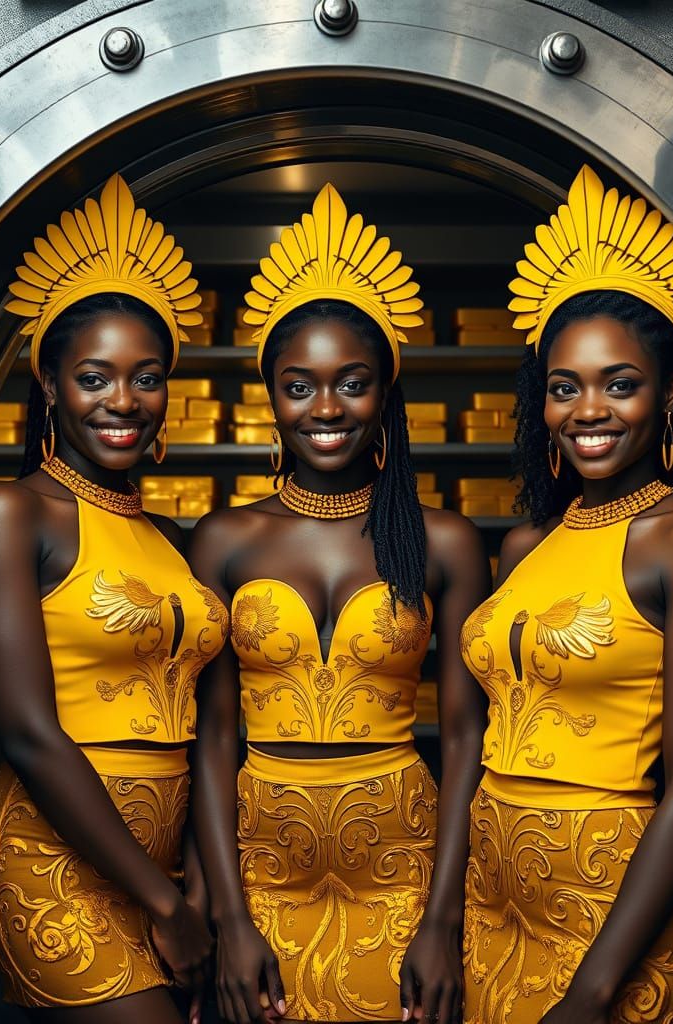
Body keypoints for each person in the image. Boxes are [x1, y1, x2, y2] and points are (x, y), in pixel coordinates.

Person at [191, 183, 491, 1024]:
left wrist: (443, 917)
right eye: (300, 386)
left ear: (386, 394)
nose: (326, 409)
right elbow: (212, 736)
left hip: (403, 866)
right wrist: (229, 914)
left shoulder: (445, 542)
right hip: (258, 870)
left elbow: (469, 734)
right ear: (272, 398)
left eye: (351, 384)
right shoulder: (224, 540)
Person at [460, 164, 673, 1023]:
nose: (590, 408)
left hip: (613, 944)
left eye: (619, 383)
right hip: (494, 922)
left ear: (667, 396)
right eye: (565, 386)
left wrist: (592, 993)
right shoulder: (525, 546)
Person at [0, 174, 229, 1021]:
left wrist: (186, 888)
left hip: (164, 876)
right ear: (50, 386)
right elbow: (31, 735)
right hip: (54, 862)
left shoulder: (167, 541)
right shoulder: (11, 511)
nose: (124, 401)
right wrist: (164, 905)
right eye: (95, 376)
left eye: (146, 376)